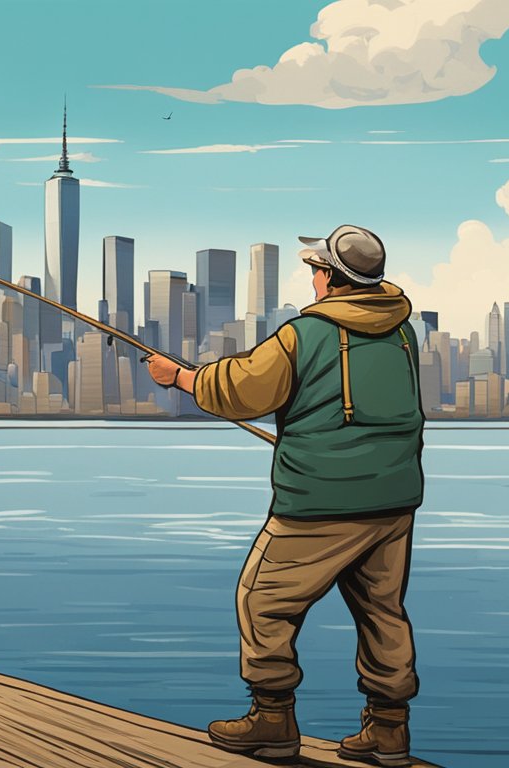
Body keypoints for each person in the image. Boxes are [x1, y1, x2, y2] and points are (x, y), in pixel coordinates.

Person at [142, 225, 424, 767]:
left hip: (320, 502)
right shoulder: (403, 334)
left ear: (333, 279)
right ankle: (389, 730)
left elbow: (241, 388)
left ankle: (272, 721)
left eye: (317, 269)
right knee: (382, 611)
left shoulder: (305, 334)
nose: (312, 277)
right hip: (393, 502)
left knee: (262, 600)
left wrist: (179, 377)